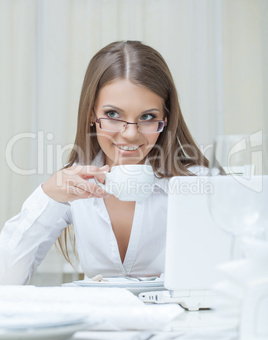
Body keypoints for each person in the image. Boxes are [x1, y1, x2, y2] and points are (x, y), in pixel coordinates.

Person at [0, 40, 209, 285]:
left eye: (147, 117)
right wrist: (48, 196)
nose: (130, 134)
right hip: (95, 322)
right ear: (92, 113)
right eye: (112, 114)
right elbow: (6, 279)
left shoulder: (197, 184)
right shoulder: (74, 185)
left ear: (165, 118)